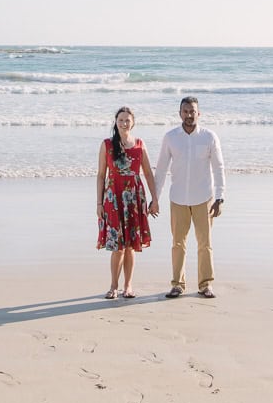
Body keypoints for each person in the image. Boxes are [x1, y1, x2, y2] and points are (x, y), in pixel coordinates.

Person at [153, 95, 226, 299]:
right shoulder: (170, 137)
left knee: (205, 243)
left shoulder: (209, 137)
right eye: (185, 111)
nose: (189, 115)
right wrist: (155, 198)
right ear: (180, 114)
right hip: (178, 199)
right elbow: (161, 169)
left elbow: (218, 167)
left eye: (192, 111)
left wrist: (220, 197)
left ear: (198, 113)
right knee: (178, 244)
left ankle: (205, 285)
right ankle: (177, 284)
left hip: (204, 198)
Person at [96, 105, 161, 299]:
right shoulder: (107, 144)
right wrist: (99, 204)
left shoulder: (140, 144)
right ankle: (113, 286)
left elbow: (148, 173)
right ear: (116, 123)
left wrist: (154, 199)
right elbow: (101, 175)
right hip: (113, 198)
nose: (124, 123)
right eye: (121, 120)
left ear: (133, 122)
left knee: (131, 245)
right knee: (117, 246)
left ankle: (128, 286)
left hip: (134, 198)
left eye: (127, 120)